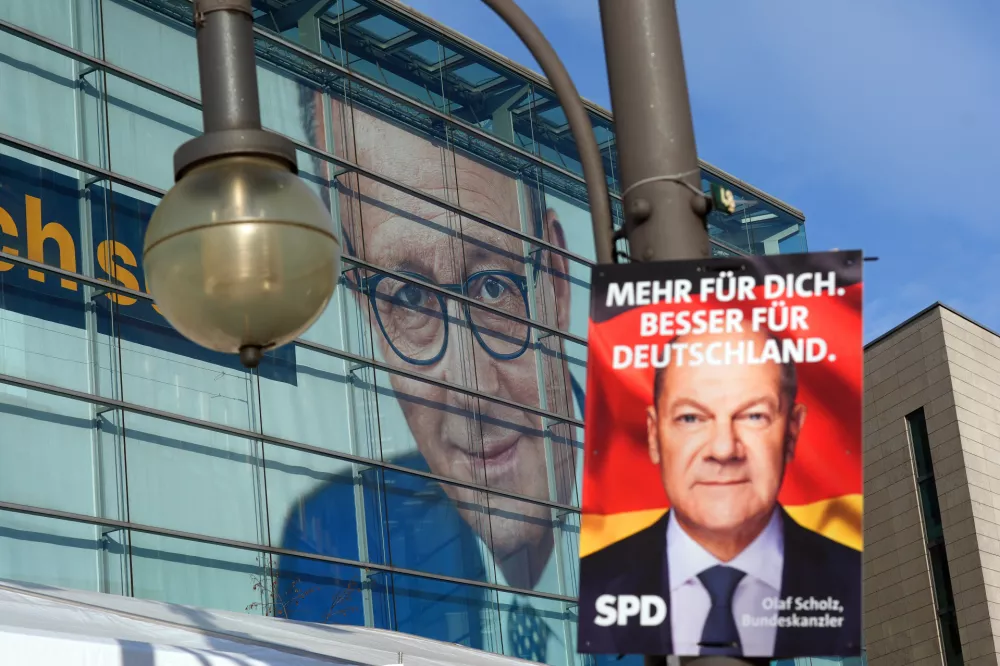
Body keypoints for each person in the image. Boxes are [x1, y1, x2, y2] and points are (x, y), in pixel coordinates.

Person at [275, 91, 599, 666]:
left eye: (494, 287)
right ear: (369, 314)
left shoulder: (704, 507)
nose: (472, 389)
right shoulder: (332, 542)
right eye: (410, 299)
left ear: (553, 281)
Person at [577, 328, 861, 659]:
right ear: (654, 434)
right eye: (691, 417)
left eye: (754, 415)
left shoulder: (847, 582)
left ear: (792, 430)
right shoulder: (599, 584)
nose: (724, 449)